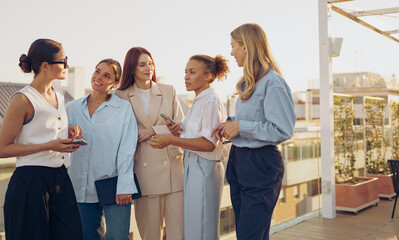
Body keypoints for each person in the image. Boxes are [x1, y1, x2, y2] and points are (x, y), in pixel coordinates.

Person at [212, 23, 296, 240]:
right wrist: (230, 124)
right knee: (248, 235)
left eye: (233, 46)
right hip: (240, 161)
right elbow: (253, 121)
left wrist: (240, 127)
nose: (231, 52)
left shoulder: (273, 83)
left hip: (261, 164)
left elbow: (282, 129)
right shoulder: (247, 83)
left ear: (246, 46)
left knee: (250, 236)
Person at [0, 39, 84, 240]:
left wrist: (67, 131)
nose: (67, 66)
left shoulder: (58, 93)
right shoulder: (22, 99)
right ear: (45, 66)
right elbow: (2, 149)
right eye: (63, 61)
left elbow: (42, 127)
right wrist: (49, 145)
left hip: (60, 178)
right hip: (31, 183)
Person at [149, 54, 229, 240]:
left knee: (202, 229)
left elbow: (208, 144)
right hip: (193, 166)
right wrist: (179, 131)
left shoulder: (210, 101)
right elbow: (196, 137)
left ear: (208, 76)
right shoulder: (199, 101)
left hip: (204, 168)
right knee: (194, 227)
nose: (186, 77)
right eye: (185, 72)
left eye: (192, 72)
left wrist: (170, 140)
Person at [115, 47, 184, 240]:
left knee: (179, 234)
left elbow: (180, 127)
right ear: (131, 68)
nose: (148, 68)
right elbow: (122, 134)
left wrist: (152, 130)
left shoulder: (168, 90)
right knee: (150, 235)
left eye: (151, 63)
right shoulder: (120, 95)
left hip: (173, 170)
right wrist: (157, 130)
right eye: (142, 64)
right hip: (143, 172)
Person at [66, 58, 138, 240]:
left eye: (106, 76)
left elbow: (127, 149)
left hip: (114, 187)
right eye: (97, 71)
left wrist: (124, 186)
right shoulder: (71, 108)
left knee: (117, 237)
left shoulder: (123, 109)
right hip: (80, 187)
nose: (99, 77)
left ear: (114, 84)